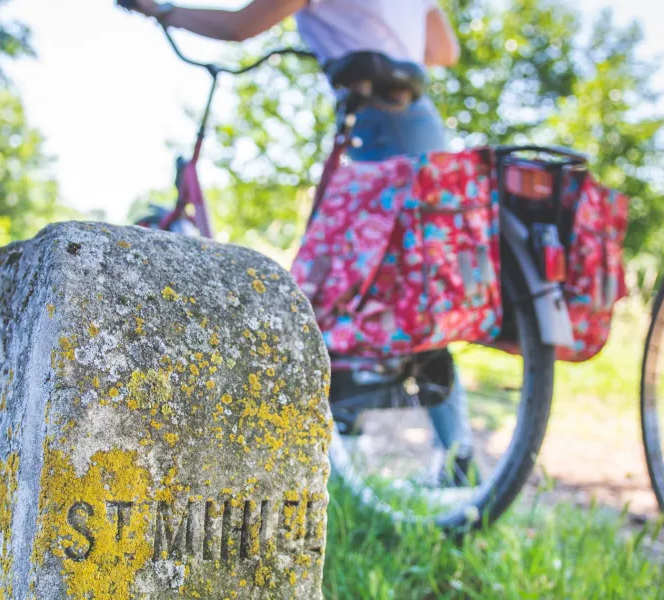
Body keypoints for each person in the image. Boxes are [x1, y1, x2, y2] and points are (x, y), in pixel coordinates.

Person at [124, 0, 476, 485]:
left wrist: (160, 11)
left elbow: (239, 27)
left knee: (350, 273)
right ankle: (456, 457)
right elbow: (444, 49)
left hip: (375, 111)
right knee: (413, 285)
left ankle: (350, 411)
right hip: (422, 118)